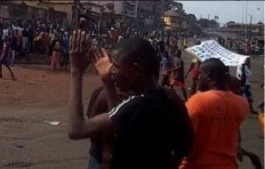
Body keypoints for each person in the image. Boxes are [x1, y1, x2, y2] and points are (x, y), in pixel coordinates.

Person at [68, 32, 193, 169]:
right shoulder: (167, 99)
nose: (111, 71)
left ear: (135, 71)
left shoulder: (137, 105)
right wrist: (109, 83)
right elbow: (119, 122)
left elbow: (76, 129)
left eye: (115, 66)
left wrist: (76, 71)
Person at [179, 58, 250, 169]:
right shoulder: (242, 103)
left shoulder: (197, 101)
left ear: (209, 76)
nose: (198, 77)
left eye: (201, 74)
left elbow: (183, 140)